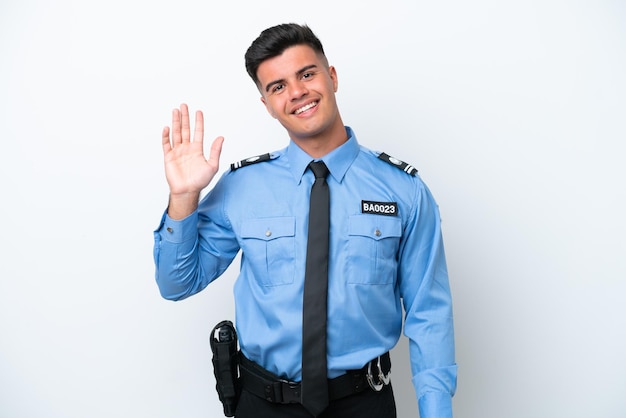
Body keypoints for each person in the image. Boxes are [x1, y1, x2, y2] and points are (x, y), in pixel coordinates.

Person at [154, 23, 457, 418]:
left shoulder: (403, 191)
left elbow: (428, 314)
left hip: (364, 404)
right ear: (266, 103)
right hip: (262, 405)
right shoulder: (241, 188)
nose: (296, 92)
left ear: (331, 76)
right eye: (277, 86)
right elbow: (176, 283)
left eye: (307, 74)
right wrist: (183, 198)